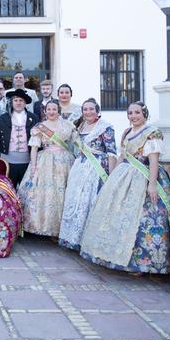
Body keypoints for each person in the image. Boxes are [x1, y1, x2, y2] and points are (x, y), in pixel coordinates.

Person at [80, 102, 170, 275]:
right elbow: (122, 155)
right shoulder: (126, 132)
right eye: (130, 113)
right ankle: (113, 256)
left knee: (141, 218)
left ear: (144, 113)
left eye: (137, 112)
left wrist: (152, 184)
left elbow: (153, 160)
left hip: (144, 176)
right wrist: (112, 178)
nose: (133, 116)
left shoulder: (152, 133)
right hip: (124, 175)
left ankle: (141, 262)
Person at [58, 98, 117, 251]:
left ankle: (90, 241)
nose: (88, 112)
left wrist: (111, 177)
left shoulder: (105, 127)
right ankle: (74, 239)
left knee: (91, 201)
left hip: (97, 169)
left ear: (97, 111)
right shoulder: (81, 126)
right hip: (80, 167)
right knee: (76, 201)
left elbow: (111, 153)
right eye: (85, 109)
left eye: (91, 109)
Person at [19, 101, 78, 238]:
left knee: (62, 193)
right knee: (45, 194)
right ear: (45, 111)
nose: (51, 111)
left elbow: (76, 144)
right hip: (45, 161)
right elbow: (34, 148)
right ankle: (41, 226)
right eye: (49, 109)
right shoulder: (40, 127)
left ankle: (59, 230)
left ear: (58, 110)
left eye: (54, 109)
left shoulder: (68, 125)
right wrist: (33, 167)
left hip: (64, 162)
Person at [0, 89, 38, 187]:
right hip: (8, 161)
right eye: (16, 100)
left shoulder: (33, 118)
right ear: (11, 102)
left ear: (25, 103)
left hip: (27, 160)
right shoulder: (3, 118)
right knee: (9, 188)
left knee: (26, 189)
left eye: (21, 100)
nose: (18, 103)